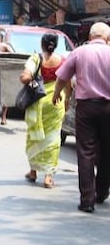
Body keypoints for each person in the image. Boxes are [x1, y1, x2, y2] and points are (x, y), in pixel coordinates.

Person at [52, 22, 110, 213]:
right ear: (107, 38)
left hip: (86, 108)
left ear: (91, 36)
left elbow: (62, 76)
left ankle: (87, 200)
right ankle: (101, 192)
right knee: (107, 151)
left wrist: (57, 94)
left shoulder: (79, 52)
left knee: (86, 152)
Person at [20, 32, 71, 190]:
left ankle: (33, 171)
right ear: (55, 45)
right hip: (57, 102)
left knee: (35, 135)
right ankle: (48, 176)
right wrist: (67, 99)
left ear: (42, 44)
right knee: (53, 138)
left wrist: (35, 84)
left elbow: (25, 77)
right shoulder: (63, 61)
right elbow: (68, 83)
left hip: (38, 102)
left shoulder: (36, 58)